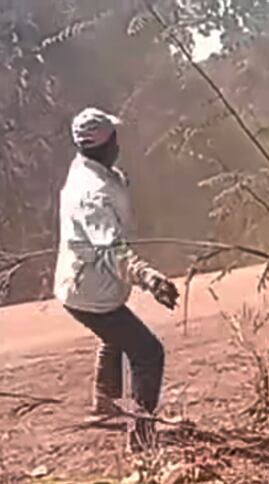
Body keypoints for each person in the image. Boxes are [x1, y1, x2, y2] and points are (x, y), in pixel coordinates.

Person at [54, 107, 179, 452]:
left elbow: (109, 186)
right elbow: (112, 253)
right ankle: (141, 434)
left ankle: (103, 399)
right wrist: (149, 278)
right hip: (91, 289)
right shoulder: (92, 195)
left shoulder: (86, 168)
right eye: (115, 139)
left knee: (114, 335)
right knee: (147, 352)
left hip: (77, 282)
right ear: (107, 145)